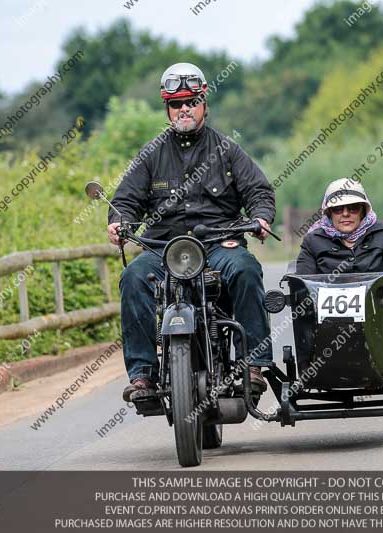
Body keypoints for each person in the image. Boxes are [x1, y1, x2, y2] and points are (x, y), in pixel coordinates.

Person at [107, 62, 276, 407]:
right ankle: (143, 376)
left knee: (245, 268)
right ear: (167, 108)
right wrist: (118, 221)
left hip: (218, 244)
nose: (184, 108)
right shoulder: (151, 154)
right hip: (164, 248)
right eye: (176, 103)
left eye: (191, 101)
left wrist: (260, 218)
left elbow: (259, 191)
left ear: (204, 103)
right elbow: (125, 199)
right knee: (132, 277)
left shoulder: (227, 150)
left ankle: (253, 366)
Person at [295, 178, 383, 275]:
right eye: (338, 209)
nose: (345, 214)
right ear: (329, 213)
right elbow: (302, 287)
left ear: (363, 211)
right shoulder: (312, 241)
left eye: (353, 207)